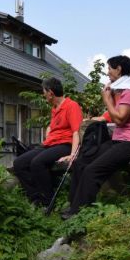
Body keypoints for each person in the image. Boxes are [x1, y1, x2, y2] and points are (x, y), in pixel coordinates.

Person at [62, 55, 130, 219]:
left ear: (119, 69)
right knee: (81, 162)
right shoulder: (122, 89)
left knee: (92, 170)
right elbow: (116, 115)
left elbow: (120, 119)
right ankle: (73, 205)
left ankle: (79, 214)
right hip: (119, 140)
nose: (107, 72)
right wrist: (109, 101)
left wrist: (107, 99)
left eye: (109, 68)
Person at [13, 77, 83, 208]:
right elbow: (53, 126)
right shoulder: (55, 108)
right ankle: (35, 198)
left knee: (37, 162)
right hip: (49, 144)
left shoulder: (72, 106)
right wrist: (49, 130)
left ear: (50, 93)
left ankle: (48, 201)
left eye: (44, 91)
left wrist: (73, 154)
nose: (43, 94)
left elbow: (76, 132)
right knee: (19, 163)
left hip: (65, 145)